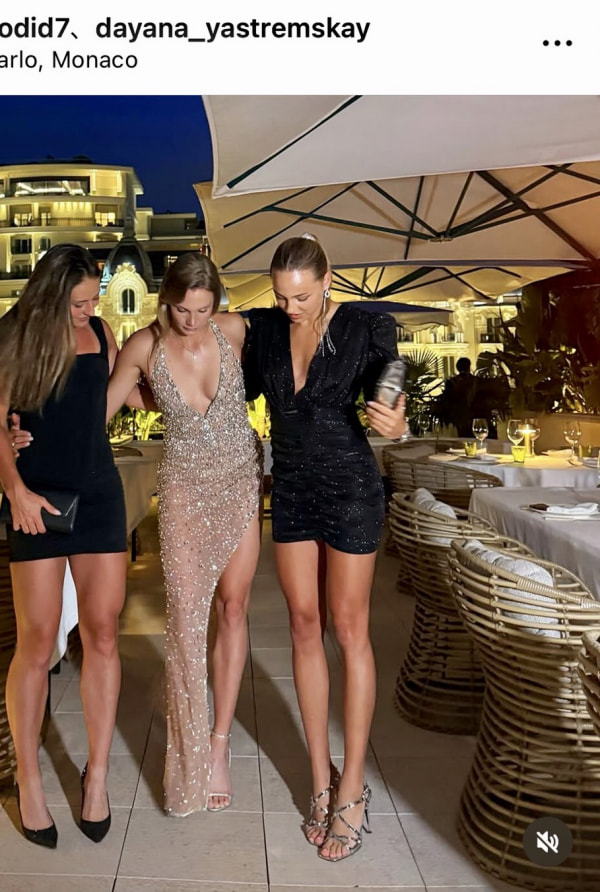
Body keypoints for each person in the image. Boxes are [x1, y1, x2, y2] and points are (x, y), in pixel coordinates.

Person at [13, 252, 261, 816]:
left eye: (203, 309)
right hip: (183, 490)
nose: (193, 320)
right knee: (186, 623)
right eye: (182, 309)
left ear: (217, 306)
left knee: (234, 608)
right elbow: (91, 413)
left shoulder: (235, 330)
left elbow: (283, 374)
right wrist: (20, 428)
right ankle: (187, 761)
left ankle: (218, 744)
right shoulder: (141, 348)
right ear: (164, 300)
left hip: (240, 481)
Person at [243, 234, 407, 863]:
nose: (292, 308)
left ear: (327, 281)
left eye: (303, 297)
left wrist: (395, 416)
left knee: (349, 628)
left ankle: (353, 787)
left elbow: (393, 377)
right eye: (282, 297)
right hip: (291, 488)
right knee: (303, 625)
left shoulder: (366, 327)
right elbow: (210, 351)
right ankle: (320, 779)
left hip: (351, 490)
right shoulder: (264, 330)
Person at [0, 244, 130, 848]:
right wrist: (15, 491)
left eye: (93, 300)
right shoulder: (12, 340)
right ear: (49, 297)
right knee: (37, 643)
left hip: (99, 494)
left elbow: (100, 411)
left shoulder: (103, 333)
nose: (90, 310)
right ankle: (29, 778)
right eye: (79, 303)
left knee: (103, 633)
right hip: (35, 497)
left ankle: (98, 777)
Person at [435, 357, 479, 437]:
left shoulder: (451, 382)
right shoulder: (476, 381)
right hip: (476, 416)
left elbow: (447, 400)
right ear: (469, 367)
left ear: (457, 368)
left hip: (457, 417)